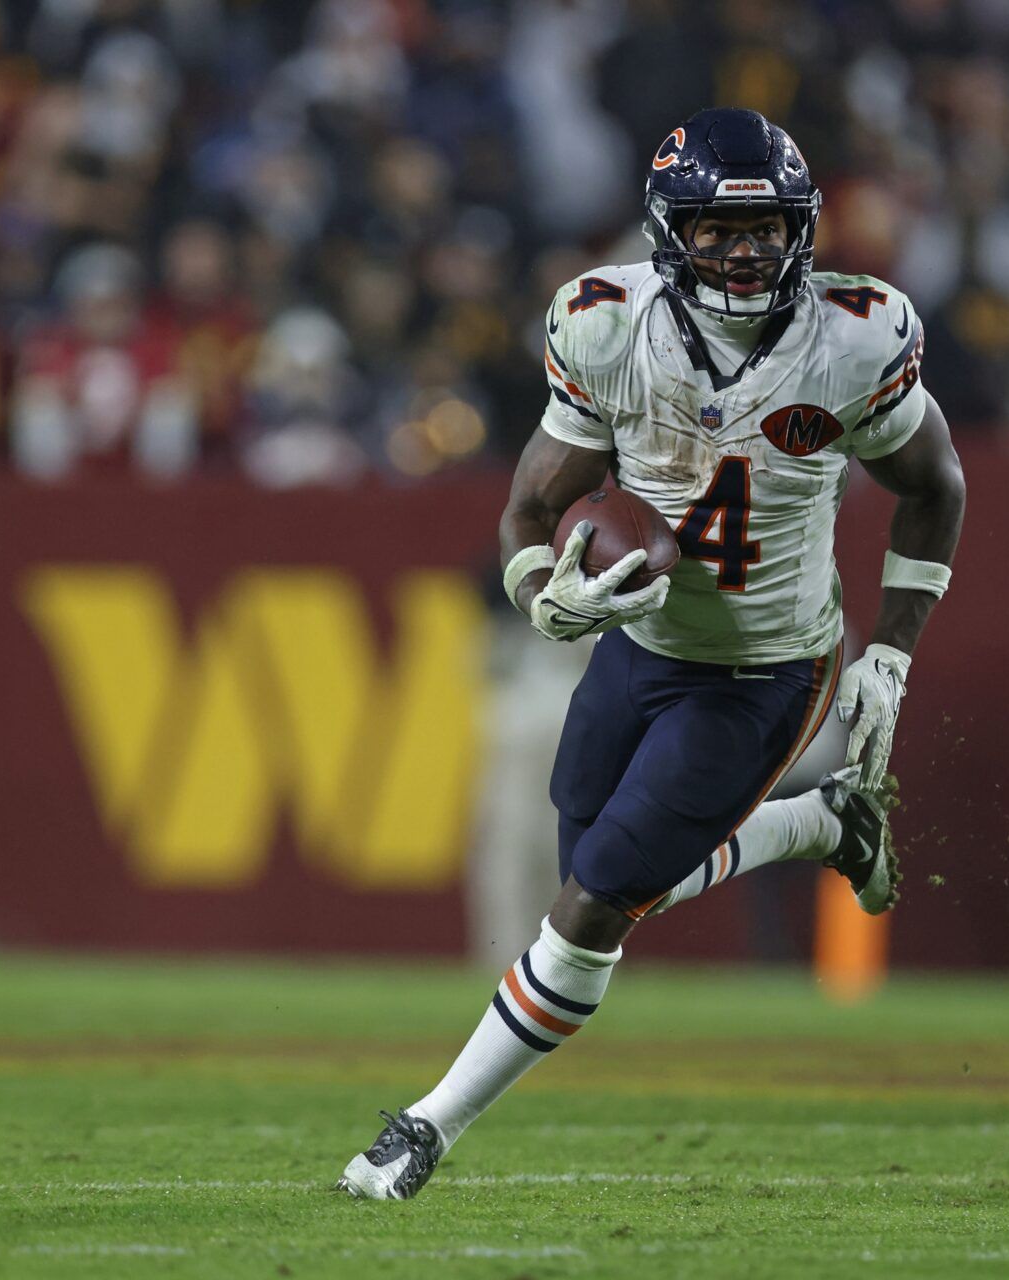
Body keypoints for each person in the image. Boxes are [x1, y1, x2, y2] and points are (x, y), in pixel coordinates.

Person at [338, 107, 967, 1198]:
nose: (746, 250)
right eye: (718, 231)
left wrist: (893, 653)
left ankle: (425, 1128)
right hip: (641, 645)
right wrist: (546, 598)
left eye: (767, 226)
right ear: (668, 233)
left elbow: (934, 487)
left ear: (800, 227)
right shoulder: (605, 321)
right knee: (608, 871)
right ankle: (820, 823)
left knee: (592, 903)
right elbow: (534, 502)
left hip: (769, 665)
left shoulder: (856, 334)